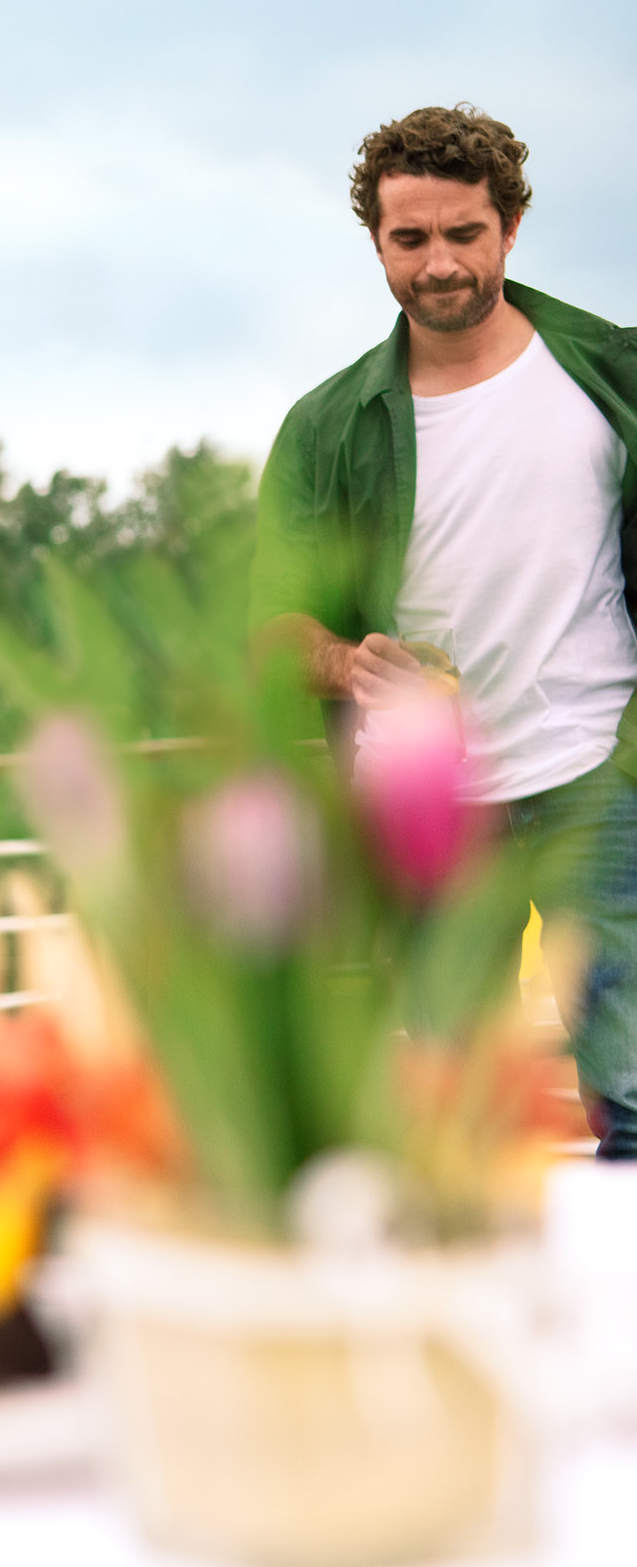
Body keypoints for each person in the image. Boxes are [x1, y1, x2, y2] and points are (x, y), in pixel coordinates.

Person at [254, 103, 637, 1158]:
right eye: (409, 238)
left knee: (635, 1090)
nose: (438, 263)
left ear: (509, 227)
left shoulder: (613, 374)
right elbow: (269, 631)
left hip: (600, 775)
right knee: (453, 1118)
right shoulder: (325, 426)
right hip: (431, 805)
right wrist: (342, 660)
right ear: (377, 242)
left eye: (464, 233)